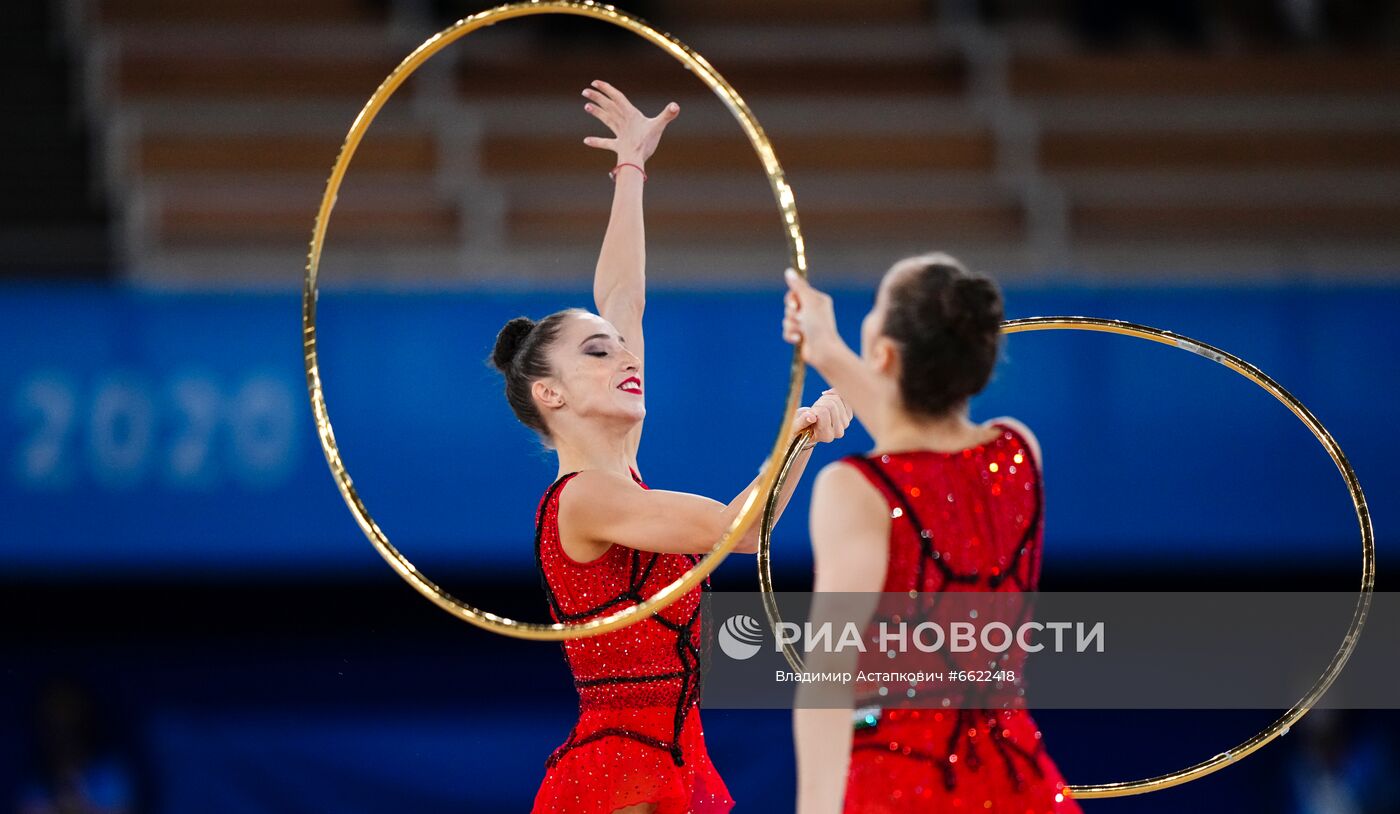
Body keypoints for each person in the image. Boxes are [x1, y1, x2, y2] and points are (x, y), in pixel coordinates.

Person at [489, 81, 852, 814]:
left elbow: (624, 297)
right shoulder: (585, 499)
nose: (626, 357)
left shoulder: (621, 471)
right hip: (620, 772)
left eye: (623, 349)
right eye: (599, 353)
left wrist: (631, 168)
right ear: (550, 394)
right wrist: (797, 435)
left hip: (673, 758)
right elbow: (736, 531)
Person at [782, 255, 1080, 813]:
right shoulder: (1019, 451)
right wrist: (828, 352)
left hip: (902, 784)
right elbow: (926, 450)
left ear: (884, 353)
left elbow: (827, 679)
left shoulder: (855, 489)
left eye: (875, 307)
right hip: (1018, 780)